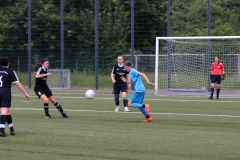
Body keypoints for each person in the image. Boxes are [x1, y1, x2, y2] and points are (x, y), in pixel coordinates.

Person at [0, 56, 30, 137]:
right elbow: (17, 83)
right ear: (8, 63)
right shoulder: (10, 71)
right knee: (4, 111)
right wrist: (25, 93)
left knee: (7, 111)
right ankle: (1, 131)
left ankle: (12, 129)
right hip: (5, 93)